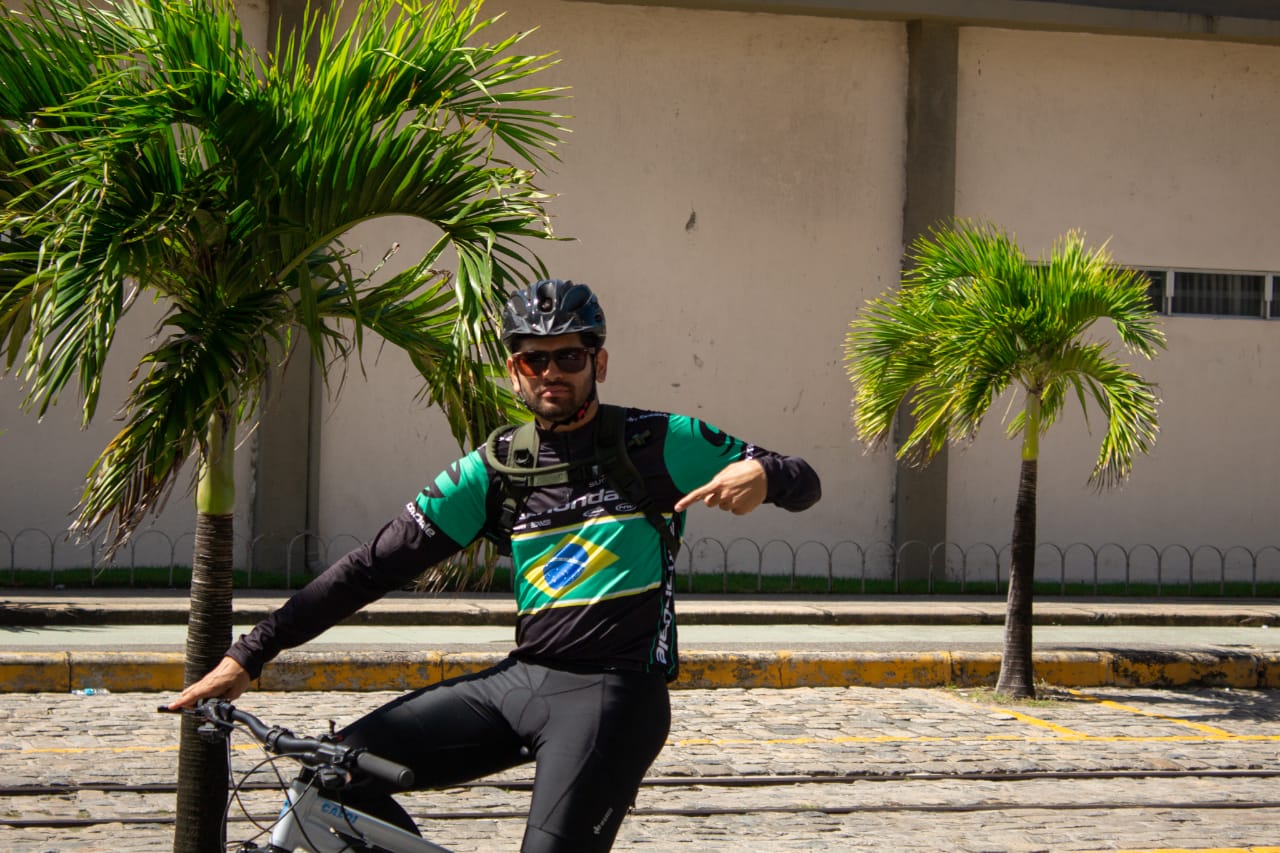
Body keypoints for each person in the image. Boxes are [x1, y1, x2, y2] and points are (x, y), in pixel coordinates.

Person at [170, 279, 821, 852]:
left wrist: (766, 474)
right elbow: (370, 568)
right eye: (533, 359)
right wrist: (248, 654)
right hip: (523, 681)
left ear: (599, 361)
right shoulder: (493, 470)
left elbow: (804, 478)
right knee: (330, 773)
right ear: (514, 370)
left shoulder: (658, 442)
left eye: (569, 356)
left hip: (614, 695)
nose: (551, 373)